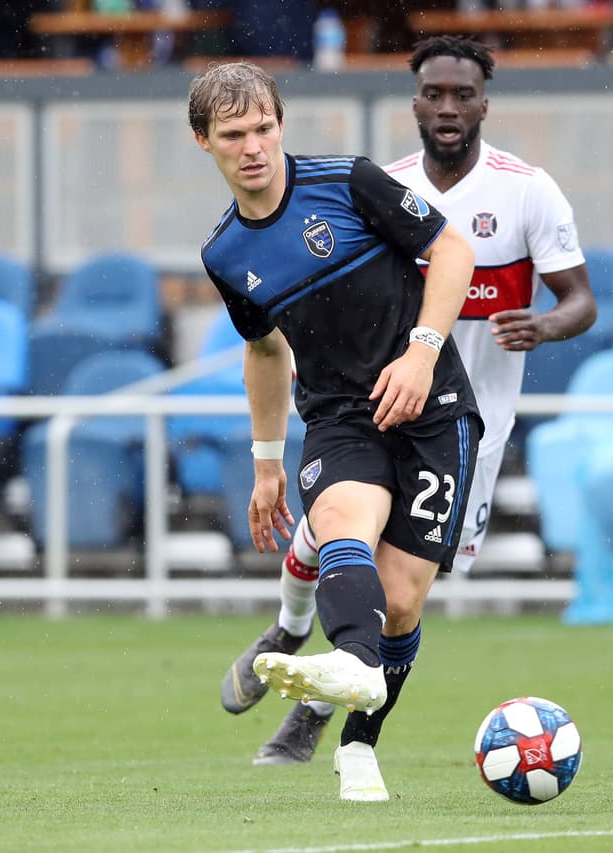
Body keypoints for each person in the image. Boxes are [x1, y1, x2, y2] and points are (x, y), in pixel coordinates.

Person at [228, 34, 597, 769]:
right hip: (371, 406)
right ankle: (303, 673)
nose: (449, 107)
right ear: (416, 103)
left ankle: (315, 661)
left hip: (471, 429)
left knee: (403, 597)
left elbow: (581, 300)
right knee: (345, 529)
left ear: (484, 103)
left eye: (464, 95)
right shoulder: (383, 187)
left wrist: (546, 323)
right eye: (435, 94)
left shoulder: (527, 190)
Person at [189, 60, 482, 801]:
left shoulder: (347, 181)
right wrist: (265, 463)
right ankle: (327, 648)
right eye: (234, 135)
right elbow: (262, 351)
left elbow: (452, 251)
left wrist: (421, 352)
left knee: (403, 601)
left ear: (280, 124)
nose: (253, 146)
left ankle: (352, 739)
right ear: (205, 143)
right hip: (340, 416)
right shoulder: (225, 255)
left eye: (264, 128)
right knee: (348, 521)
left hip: (432, 406)